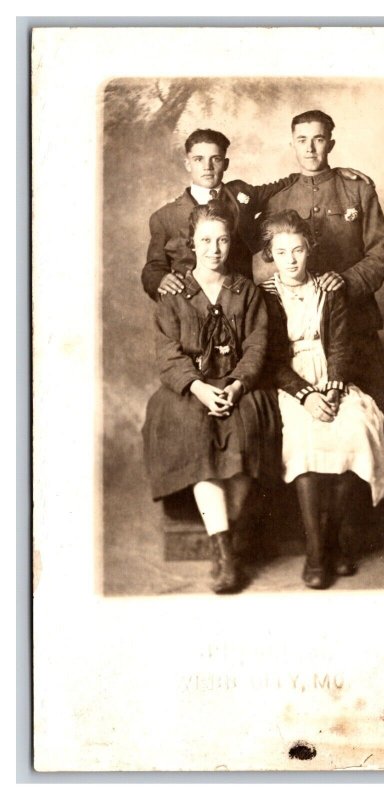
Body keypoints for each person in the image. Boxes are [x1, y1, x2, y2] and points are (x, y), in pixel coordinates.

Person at [142, 201, 280, 594]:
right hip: (190, 387)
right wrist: (200, 388)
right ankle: (224, 552)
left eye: (222, 240)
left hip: (238, 383)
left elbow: (257, 346)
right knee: (195, 429)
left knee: (248, 424)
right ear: (192, 244)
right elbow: (167, 353)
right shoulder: (173, 293)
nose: (215, 249)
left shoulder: (247, 292)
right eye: (206, 240)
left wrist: (236, 385)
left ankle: (227, 537)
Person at [260, 210, 384, 589]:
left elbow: (341, 346)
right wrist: (306, 396)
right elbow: (270, 359)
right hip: (290, 385)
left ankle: (338, 542)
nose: (291, 259)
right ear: (270, 254)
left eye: (298, 250)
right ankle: (316, 552)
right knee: (304, 440)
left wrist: (332, 388)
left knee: (354, 428)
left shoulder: (329, 289)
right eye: (281, 252)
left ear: (309, 250)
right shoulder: (264, 295)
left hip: (332, 378)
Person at [141, 127, 371, 301]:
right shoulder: (165, 217)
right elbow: (153, 267)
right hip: (193, 304)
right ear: (187, 163)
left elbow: (287, 182)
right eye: (198, 159)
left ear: (226, 163)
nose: (208, 167)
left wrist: (332, 173)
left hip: (243, 303)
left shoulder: (241, 193)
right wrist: (160, 279)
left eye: (216, 159)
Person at [259, 109, 384, 406]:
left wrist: (345, 281)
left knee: (378, 408)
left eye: (318, 139)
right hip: (298, 331)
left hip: (356, 320)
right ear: (291, 144)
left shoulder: (357, 189)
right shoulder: (278, 197)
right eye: (302, 140)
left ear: (330, 143)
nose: (309, 148)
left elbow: (380, 252)